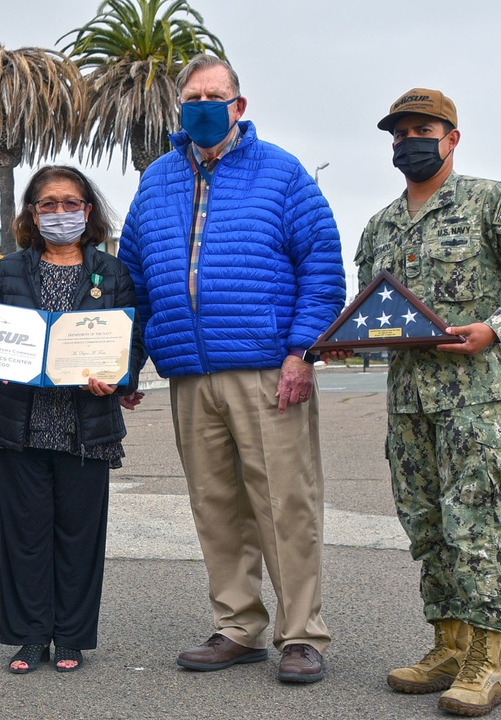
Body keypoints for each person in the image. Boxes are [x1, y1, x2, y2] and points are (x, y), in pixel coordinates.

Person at [118, 55, 345, 685]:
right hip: (189, 373)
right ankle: (238, 625)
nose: (202, 106)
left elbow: (322, 271)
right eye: (191, 97)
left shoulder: (283, 173)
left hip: (267, 370)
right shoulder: (157, 179)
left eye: (213, 96)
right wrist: (128, 365)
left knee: (284, 504)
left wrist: (301, 351)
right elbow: (132, 282)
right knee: (215, 504)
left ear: (238, 106)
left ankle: (301, 634)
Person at [356, 88, 501, 715]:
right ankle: (447, 645)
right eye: (399, 134)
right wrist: (348, 341)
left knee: (471, 521)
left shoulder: (493, 202)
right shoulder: (381, 226)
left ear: (451, 137)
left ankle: (486, 660)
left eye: (422, 129)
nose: (409, 142)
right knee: (424, 523)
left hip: (476, 397)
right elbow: (374, 307)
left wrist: (496, 327)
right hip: (408, 401)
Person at [0, 165, 146, 674]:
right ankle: (29, 637)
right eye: (47, 204)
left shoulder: (112, 273)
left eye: (70, 203)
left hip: (86, 424)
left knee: (79, 536)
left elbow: (131, 340)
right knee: (24, 535)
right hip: (21, 423)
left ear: (87, 211)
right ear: (31, 212)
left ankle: (70, 637)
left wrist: (120, 377)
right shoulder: (8, 271)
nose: (59, 213)